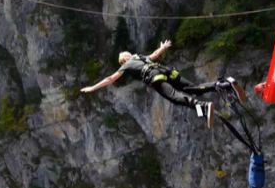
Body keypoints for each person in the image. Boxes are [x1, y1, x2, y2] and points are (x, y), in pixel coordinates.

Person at [80, 40, 221, 128]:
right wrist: (164, 47)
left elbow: (110, 79)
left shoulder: (127, 64)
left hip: (156, 77)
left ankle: (204, 107)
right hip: (167, 72)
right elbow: (154, 55)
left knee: (175, 97)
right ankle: (223, 85)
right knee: (194, 89)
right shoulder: (141, 58)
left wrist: (93, 87)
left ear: (123, 60)